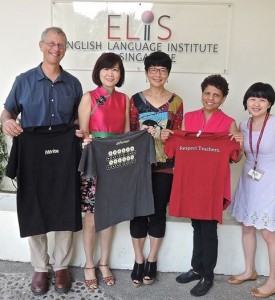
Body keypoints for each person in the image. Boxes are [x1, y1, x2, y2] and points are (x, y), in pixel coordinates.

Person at [1, 27, 83, 296]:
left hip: (63, 159)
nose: (55, 48)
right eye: (51, 43)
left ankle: (61, 266)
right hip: (32, 158)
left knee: (64, 208)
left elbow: (77, 121)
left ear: (65, 49)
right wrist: (8, 122)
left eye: (60, 44)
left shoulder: (73, 84)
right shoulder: (23, 80)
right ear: (41, 46)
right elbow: (8, 111)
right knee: (32, 207)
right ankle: (40, 267)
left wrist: (79, 130)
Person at [172, 74, 244, 297]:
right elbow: (180, 145)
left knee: (209, 229)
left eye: (216, 95)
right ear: (202, 93)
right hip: (193, 181)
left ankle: (207, 276)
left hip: (213, 184)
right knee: (197, 226)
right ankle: (196, 268)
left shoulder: (229, 123)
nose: (210, 98)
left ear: (223, 99)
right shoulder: (189, 118)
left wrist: (240, 147)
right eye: (207, 93)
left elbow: (234, 158)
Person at [228, 82, 275, 298]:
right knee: (247, 227)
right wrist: (236, 147)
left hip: (271, 182)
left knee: (268, 233)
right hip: (249, 180)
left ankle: (274, 281)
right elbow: (238, 158)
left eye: (262, 99)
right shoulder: (243, 125)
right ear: (246, 100)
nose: (256, 103)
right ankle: (250, 270)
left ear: (270, 103)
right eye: (253, 98)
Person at [129, 51, 183, 287]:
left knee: (158, 212)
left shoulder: (176, 102)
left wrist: (168, 136)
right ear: (146, 72)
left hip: (165, 166)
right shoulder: (135, 100)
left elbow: (180, 137)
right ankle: (138, 260)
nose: (157, 74)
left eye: (162, 70)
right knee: (138, 212)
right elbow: (129, 133)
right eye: (153, 69)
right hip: (138, 166)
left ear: (168, 74)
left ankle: (152, 260)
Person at [78, 52, 130, 289]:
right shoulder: (89, 97)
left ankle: (104, 262)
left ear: (120, 74)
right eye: (107, 69)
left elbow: (127, 135)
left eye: (116, 69)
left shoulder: (124, 99)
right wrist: (88, 142)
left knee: (109, 217)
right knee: (91, 217)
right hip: (94, 162)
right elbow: (84, 132)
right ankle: (89, 264)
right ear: (98, 72)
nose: (111, 74)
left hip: (116, 163)